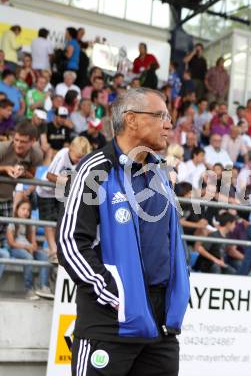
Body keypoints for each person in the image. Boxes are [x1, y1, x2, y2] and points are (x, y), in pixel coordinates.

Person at [57, 88, 189, 376]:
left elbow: (172, 240)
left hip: (161, 330)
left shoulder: (160, 173)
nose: (169, 124)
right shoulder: (94, 169)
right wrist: (116, 294)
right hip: (109, 326)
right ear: (131, 120)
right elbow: (70, 242)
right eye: (161, 115)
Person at [36, 137, 91, 263]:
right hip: (46, 191)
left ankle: (60, 249)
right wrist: (68, 182)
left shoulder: (82, 160)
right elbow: (50, 176)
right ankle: (52, 251)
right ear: (70, 150)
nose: (79, 160)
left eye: (82, 157)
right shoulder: (62, 154)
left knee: (61, 220)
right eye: (77, 156)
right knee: (48, 221)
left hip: (60, 192)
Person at [0, 122, 43, 244]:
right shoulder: (3, 148)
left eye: (23, 142)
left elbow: (32, 175)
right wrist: (5, 168)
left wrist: (23, 172)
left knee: (2, 239)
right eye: (16, 140)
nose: (18, 144)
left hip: (7, 199)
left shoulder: (37, 154)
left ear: (33, 141)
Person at [7, 198, 52, 300]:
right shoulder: (12, 222)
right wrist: (27, 247)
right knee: (28, 257)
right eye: (23, 209)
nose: (25, 212)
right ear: (17, 209)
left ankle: (44, 287)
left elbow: (33, 242)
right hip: (16, 249)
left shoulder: (30, 223)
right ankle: (29, 289)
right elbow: (11, 243)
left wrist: (33, 247)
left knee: (44, 256)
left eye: (28, 210)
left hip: (28, 248)